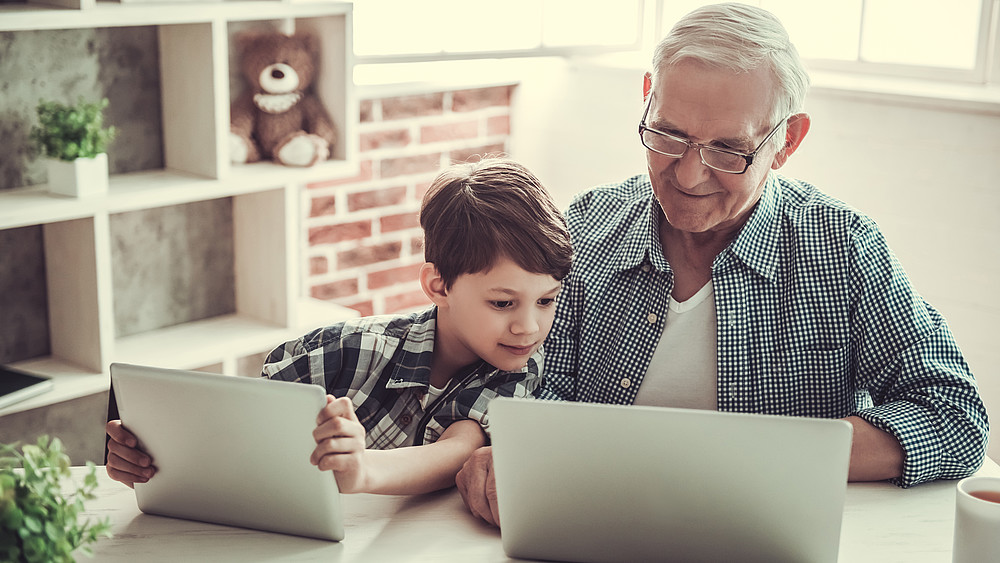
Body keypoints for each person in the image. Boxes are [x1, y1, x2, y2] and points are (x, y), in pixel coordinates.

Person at [457, 3, 989, 526]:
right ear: (647, 99)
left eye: (729, 150)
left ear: (787, 141)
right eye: (669, 135)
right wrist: (496, 445)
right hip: (593, 524)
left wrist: (751, 459)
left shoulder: (842, 246)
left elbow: (955, 415)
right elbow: (516, 382)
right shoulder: (586, 228)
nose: (688, 176)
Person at [105, 157, 573, 495]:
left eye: (547, 299)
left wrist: (362, 470)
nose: (528, 327)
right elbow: (240, 434)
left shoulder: (518, 372)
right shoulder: (341, 352)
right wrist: (152, 458)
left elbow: (454, 451)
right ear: (439, 286)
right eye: (502, 302)